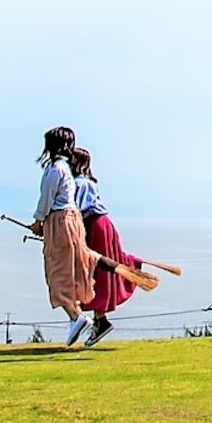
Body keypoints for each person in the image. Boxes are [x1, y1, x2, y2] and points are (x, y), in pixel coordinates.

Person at [29, 126, 137, 347]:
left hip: (75, 223)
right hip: (81, 223)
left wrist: (39, 222)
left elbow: (46, 200)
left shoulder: (57, 171)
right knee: (85, 268)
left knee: (63, 272)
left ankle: (78, 318)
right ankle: (88, 318)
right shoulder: (71, 175)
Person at [71, 147, 143, 347]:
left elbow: (74, 211)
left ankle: (93, 319)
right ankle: (98, 319)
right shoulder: (87, 183)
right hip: (99, 225)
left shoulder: (78, 184)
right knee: (96, 272)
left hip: (93, 227)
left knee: (94, 273)